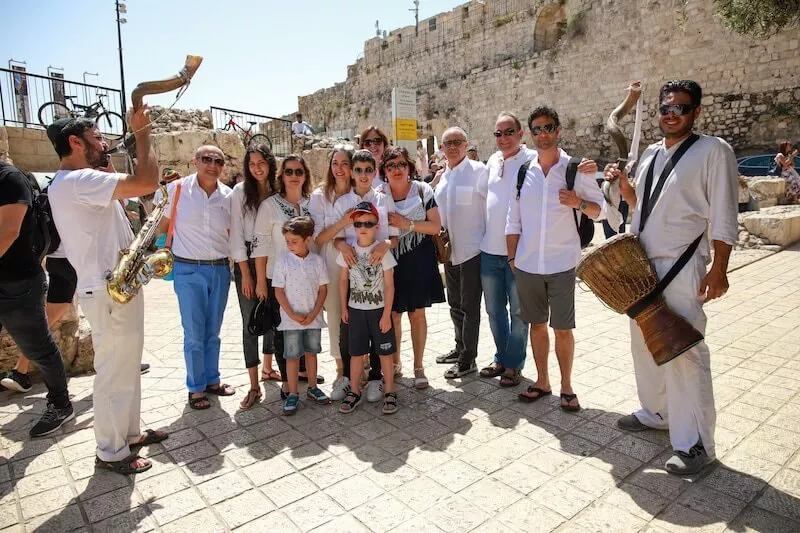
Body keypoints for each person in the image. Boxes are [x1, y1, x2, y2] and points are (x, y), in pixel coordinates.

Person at [606, 80, 738, 475]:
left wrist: (719, 268)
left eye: (680, 107)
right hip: (642, 266)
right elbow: (641, 207)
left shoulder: (713, 151)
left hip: (683, 267)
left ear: (696, 112)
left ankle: (696, 444)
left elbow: (725, 213)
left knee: (684, 352)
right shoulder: (649, 153)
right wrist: (626, 189)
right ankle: (657, 413)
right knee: (645, 345)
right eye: (665, 107)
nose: (670, 113)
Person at [48, 113, 167, 474]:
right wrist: (142, 131)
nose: (104, 143)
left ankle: (129, 434)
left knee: (127, 365)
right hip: (107, 288)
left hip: (117, 284)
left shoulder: (84, 181)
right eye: (97, 137)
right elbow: (147, 181)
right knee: (113, 370)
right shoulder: (78, 181)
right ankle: (110, 451)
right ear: (75, 143)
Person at [506, 106, 606, 411]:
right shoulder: (525, 171)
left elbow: (601, 211)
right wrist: (513, 258)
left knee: (562, 329)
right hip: (527, 265)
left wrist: (578, 202)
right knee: (536, 325)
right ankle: (542, 381)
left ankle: (566, 386)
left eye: (548, 127)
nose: (542, 134)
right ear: (531, 134)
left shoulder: (575, 170)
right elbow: (513, 219)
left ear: (558, 129)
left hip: (562, 264)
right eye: (536, 129)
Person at [0, 162, 74, 437]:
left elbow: (8, 231)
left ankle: (60, 403)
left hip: (16, 283)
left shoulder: (9, 179)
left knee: (39, 347)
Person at [160, 145, 234, 410]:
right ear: (195, 162)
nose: (212, 164)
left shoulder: (228, 196)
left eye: (218, 160)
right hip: (187, 268)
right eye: (206, 159)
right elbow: (162, 224)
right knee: (193, 332)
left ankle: (212, 380)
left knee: (213, 330)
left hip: (219, 269)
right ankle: (195, 387)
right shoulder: (176, 190)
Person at [253, 155, 321, 398]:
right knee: (283, 329)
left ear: (305, 175)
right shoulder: (269, 205)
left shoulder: (312, 204)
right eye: (289, 171)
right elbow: (260, 246)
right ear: (282, 175)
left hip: (307, 277)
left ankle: (303, 372)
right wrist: (261, 280)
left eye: (299, 172)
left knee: (307, 323)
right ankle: (285, 379)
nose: (294, 176)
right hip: (278, 278)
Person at [332, 149, 396, 401]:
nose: (363, 175)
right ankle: (352, 380)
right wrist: (343, 247)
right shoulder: (342, 202)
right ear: (351, 171)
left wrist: (386, 245)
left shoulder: (383, 198)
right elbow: (336, 237)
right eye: (358, 169)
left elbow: (392, 236)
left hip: (380, 272)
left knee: (381, 329)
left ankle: (378, 381)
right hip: (351, 271)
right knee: (352, 331)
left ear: (375, 171)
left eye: (368, 170)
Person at [477, 112, 535, 387]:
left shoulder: (532, 159)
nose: (503, 138)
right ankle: (501, 357)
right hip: (489, 250)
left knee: (520, 312)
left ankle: (514, 364)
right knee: (493, 310)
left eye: (508, 132)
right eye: (498, 134)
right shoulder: (492, 160)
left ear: (520, 134)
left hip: (519, 252)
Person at [382, 147, 445, 390]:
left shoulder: (423, 190)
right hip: (391, 259)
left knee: (417, 315)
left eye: (400, 164)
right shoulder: (379, 194)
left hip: (418, 257)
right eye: (390, 166)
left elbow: (435, 227)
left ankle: (419, 366)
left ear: (409, 167)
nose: (396, 170)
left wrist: (405, 224)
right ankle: (396, 363)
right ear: (384, 171)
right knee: (394, 314)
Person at [434, 127, 487, 379]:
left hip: (472, 251)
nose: (452, 147)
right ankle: (459, 348)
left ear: (466, 145)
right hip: (450, 253)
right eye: (447, 143)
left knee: (469, 307)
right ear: (442, 149)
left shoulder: (479, 172)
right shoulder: (443, 177)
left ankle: (468, 359)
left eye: (457, 142)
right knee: (454, 303)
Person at [337, 202, 399, 415]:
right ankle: (354, 391)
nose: (363, 227)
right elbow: (343, 280)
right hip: (356, 310)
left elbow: (390, 285)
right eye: (358, 223)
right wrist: (344, 307)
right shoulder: (349, 251)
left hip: (378, 311)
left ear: (376, 225)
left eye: (368, 223)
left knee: (385, 353)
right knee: (356, 353)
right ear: (353, 225)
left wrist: (386, 314)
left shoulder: (383, 251)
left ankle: (390, 391)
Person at [230, 144, 278, 410]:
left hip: (274, 259)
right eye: (252, 164)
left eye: (261, 162)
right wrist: (246, 274)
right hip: (247, 260)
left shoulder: (276, 190)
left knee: (271, 314)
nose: (257, 168)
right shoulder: (239, 193)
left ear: (269, 163)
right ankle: (253, 386)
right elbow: (236, 233)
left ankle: (268, 369)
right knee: (250, 320)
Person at [309, 145, 355, 400]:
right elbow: (318, 238)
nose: (339, 168)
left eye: (344, 163)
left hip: (355, 262)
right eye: (335, 163)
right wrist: (342, 225)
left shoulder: (358, 193)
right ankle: (341, 370)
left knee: (358, 314)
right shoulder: (319, 197)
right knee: (336, 316)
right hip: (330, 263)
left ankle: (362, 365)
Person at [272, 216, 330, 414]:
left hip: (314, 318)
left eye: (294, 241)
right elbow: (278, 290)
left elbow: (323, 289)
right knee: (292, 356)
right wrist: (292, 314)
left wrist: (315, 312)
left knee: (312, 353)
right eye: (287, 241)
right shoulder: (283, 262)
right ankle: (293, 393)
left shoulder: (318, 261)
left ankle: (313, 387)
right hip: (291, 321)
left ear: (308, 240)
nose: (290, 245)